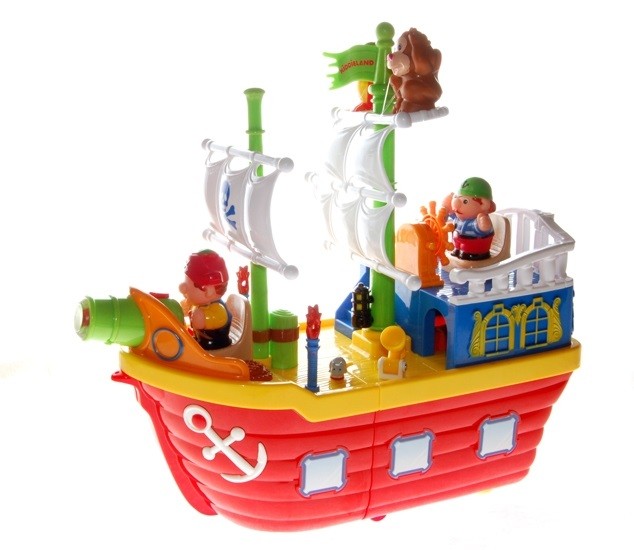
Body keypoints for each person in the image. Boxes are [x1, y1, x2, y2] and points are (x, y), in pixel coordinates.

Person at [179, 249, 232, 350]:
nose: (183, 287)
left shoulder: (219, 310)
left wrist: (197, 317)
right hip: (201, 343)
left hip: (214, 348)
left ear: (209, 291)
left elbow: (200, 322)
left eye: (189, 285)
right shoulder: (200, 303)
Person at [443, 177, 496, 261]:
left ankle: (474, 253)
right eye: (457, 198)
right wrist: (446, 208)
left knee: (470, 250)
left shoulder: (478, 220)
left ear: (483, 205)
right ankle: (458, 249)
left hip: (475, 247)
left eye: (465, 201)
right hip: (458, 243)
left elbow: (484, 228)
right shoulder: (458, 217)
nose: (456, 204)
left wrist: (483, 223)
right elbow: (447, 214)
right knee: (458, 249)